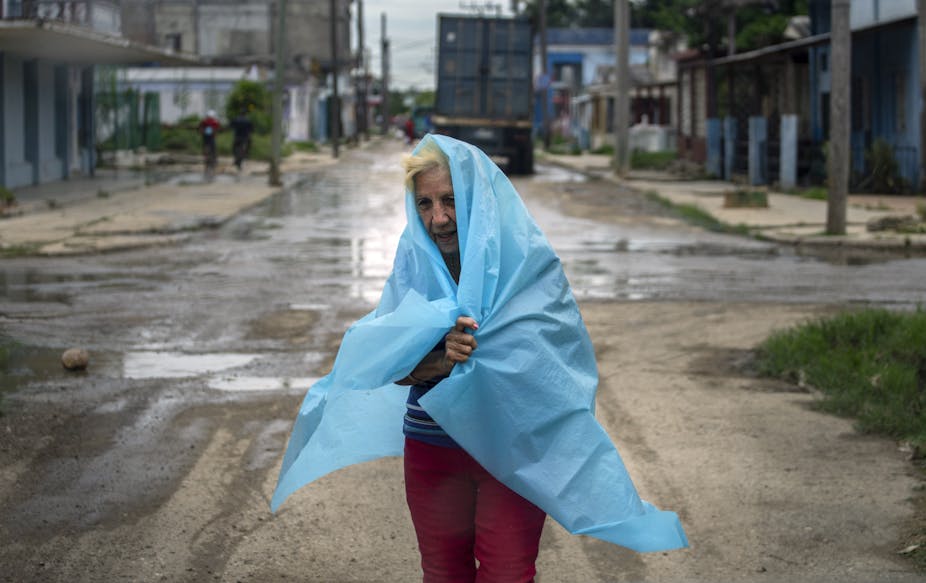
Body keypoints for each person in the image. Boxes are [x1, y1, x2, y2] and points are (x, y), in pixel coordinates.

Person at [271, 134, 687, 582]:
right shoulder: (414, 268)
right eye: (425, 204)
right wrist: (440, 358)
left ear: (478, 200)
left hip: (513, 453)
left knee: (507, 574)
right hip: (433, 451)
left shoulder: (530, 268)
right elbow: (393, 367)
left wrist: (494, 353)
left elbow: (556, 366)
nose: (439, 218)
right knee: (444, 574)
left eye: (450, 200)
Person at [198, 110, 221, 176]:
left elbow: (200, 129)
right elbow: (218, 129)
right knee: (213, 150)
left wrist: (202, 133)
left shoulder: (204, 121)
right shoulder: (215, 122)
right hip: (211, 139)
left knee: (207, 150)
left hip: (206, 139)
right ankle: (213, 161)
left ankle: (208, 161)